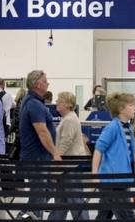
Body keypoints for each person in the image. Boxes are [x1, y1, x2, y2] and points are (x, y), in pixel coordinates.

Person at [92, 92, 135, 219]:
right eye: (131, 105)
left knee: (104, 215)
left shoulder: (128, 128)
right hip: (113, 180)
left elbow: (134, 152)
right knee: (127, 215)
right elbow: (98, 149)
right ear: (121, 109)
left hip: (121, 179)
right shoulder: (113, 127)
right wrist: (95, 175)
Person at [17, 70, 60, 220]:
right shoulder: (34, 104)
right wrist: (55, 153)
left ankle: (26, 215)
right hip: (37, 158)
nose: (47, 83)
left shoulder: (32, 101)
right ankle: (27, 216)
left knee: (43, 191)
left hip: (38, 157)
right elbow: (42, 131)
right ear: (37, 84)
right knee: (39, 193)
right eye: (45, 81)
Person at [47, 92, 90, 220]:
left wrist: (56, 158)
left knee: (75, 201)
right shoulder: (68, 118)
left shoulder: (70, 120)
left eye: (60, 100)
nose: (57, 102)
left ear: (68, 104)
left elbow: (66, 142)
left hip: (70, 166)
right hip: (67, 166)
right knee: (62, 202)